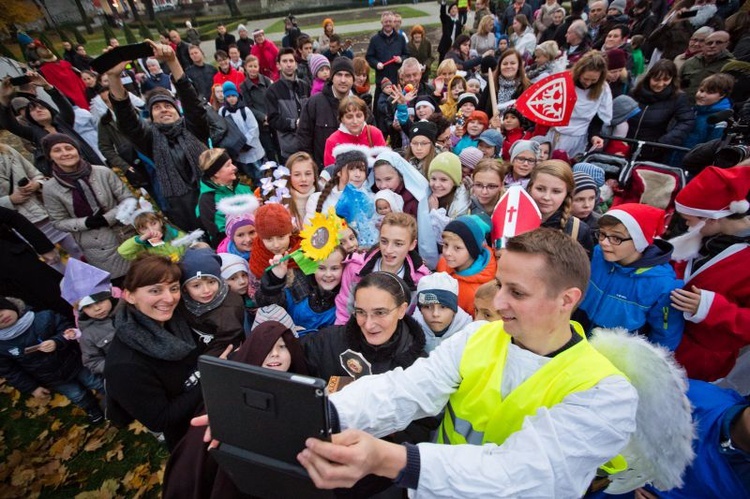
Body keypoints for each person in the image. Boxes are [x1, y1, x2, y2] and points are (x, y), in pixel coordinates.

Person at [297, 228, 638, 496]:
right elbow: (405, 389)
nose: (499, 301)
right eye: (499, 285)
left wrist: (390, 459)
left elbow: (525, 474)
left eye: (517, 293)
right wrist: (324, 415)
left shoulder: (605, 392)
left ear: (567, 299)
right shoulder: (478, 337)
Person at [106, 41, 210, 232]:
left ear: (178, 110)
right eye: (156, 107)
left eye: (168, 105)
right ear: (151, 116)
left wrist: (172, 61)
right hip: (180, 209)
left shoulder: (194, 128)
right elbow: (127, 120)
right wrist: (114, 77)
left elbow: (191, 100)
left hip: (210, 198)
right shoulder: (150, 139)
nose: (163, 110)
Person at [105, 255, 203, 451]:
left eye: (173, 288)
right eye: (155, 290)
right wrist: (212, 378)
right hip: (190, 438)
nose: (169, 298)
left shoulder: (176, 319)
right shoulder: (125, 365)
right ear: (129, 296)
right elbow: (160, 419)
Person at [668, 165, 750, 382]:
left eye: (689, 219)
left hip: (700, 363)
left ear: (712, 219)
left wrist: (710, 308)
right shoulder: (702, 238)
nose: (686, 225)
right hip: (668, 340)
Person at [578, 203, 685, 350]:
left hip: (612, 354)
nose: (603, 242)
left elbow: (664, 337)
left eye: (616, 238)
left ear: (639, 241)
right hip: (575, 336)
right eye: (602, 234)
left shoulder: (662, 285)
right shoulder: (597, 254)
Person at [41, 133, 133, 282]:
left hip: (123, 235)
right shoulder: (50, 188)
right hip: (95, 246)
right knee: (122, 286)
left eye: (68, 148)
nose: (65, 153)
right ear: (50, 156)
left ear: (77, 150)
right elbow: (58, 221)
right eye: (57, 150)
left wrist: (108, 218)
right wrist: (85, 222)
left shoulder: (103, 172)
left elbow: (128, 199)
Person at [0, 296, 105, 422]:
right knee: (77, 395)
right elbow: (12, 372)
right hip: (52, 378)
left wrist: (57, 341)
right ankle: (91, 408)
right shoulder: (2, 346)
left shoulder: (43, 318)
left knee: (96, 382)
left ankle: (117, 397)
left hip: (75, 362)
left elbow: (68, 329)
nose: (1, 316)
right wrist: (32, 388)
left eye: (1, 309)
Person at [259, 245, 346, 333]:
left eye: (334, 268)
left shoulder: (347, 298)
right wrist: (275, 280)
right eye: (321, 268)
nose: (328, 274)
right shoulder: (296, 287)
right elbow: (267, 305)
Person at [542, 51, 612, 159]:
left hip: (579, 138)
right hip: (557, 134)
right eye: (586, 79)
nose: (588, 83)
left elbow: (599, 117)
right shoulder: (566, 82)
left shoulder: (603, 89)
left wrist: (594, 136)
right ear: (579, 73)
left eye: (593, 80)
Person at [178, 248, 245, 356]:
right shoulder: (181, 301)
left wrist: (203, 366)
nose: (206, 290)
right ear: (184, 288)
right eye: (196, 285)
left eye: (211, 282)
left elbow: (226, 342)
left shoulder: (230, 308)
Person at [627, 59, 694, 164]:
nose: (660, 84)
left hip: (653, 151)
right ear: (649, 77)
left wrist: (664, 141)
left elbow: (687, 121)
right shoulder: (635, 92)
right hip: (625, 144)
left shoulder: (678, 97)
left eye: (666, 80)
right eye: (656, 79)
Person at [297, 57, 356, 169]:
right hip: (323, 172)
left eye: (347, 75)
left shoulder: (360, 106)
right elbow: (304, 140)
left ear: (353, 79)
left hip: (355, 173)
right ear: (331, 77)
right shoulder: (314, 103)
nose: (343, 80)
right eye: (339, 75)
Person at [527, 160, 594, 255]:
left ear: (567, 193)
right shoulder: (511, 219)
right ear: (530, 188)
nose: (546, 197)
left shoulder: (578, 230)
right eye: (540, 189)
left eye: (556, 191)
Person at [436, 215, 497, 316]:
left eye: (457, 248)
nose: (447, 253)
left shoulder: (476, 292)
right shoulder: (443, 263)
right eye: (445, 245)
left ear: (473, 250)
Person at [197, 148, 254, 248]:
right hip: (233, 248)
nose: (234, 168)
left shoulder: (242, 187)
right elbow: (219, 234)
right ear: (216, 173)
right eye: (228, 165)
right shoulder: (207, 201)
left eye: (232, 163)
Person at [266, 48, 310, 164]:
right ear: (278, 65)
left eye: (291, 61)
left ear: (296, 64)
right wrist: (294, 123)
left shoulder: (305, 86)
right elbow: (273, 119)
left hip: (307, 144)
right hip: (289, 147)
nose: (288, 64)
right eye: (284, 61)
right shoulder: (272, 90)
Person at [367, 11, 409, 122]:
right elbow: (369, 57)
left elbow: (407, 54)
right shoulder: (375, 39)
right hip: (381, 82)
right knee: (379, 111)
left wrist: (401, 59)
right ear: (381, 22)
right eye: (385, 22)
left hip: (396, 81)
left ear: (394, 22)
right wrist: (376, 64)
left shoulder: (400, 38)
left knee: (397, 108)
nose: (388, 24)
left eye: (390, 21)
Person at [681, 30, 735, 104]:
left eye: (718, 42)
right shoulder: (690, 62)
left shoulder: (732, 65)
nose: (712, 46)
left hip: (715, 110)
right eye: (709, 43)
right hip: (686, 107)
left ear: (727, 44)